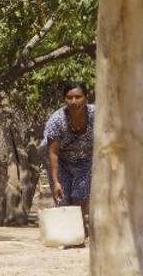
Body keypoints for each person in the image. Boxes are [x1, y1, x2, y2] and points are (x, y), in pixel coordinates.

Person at [43, 82, 95, 227]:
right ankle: (68, 230)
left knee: (81, 195)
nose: (73, 102)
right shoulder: (57, 120)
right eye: (69, 97)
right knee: (63, 199)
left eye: (78, 97)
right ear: (64, 99)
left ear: (86, 98)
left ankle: (79, 226)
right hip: (61, 161)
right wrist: (56, 181)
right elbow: (53, 153)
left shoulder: (97, 115)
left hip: (86, 160)